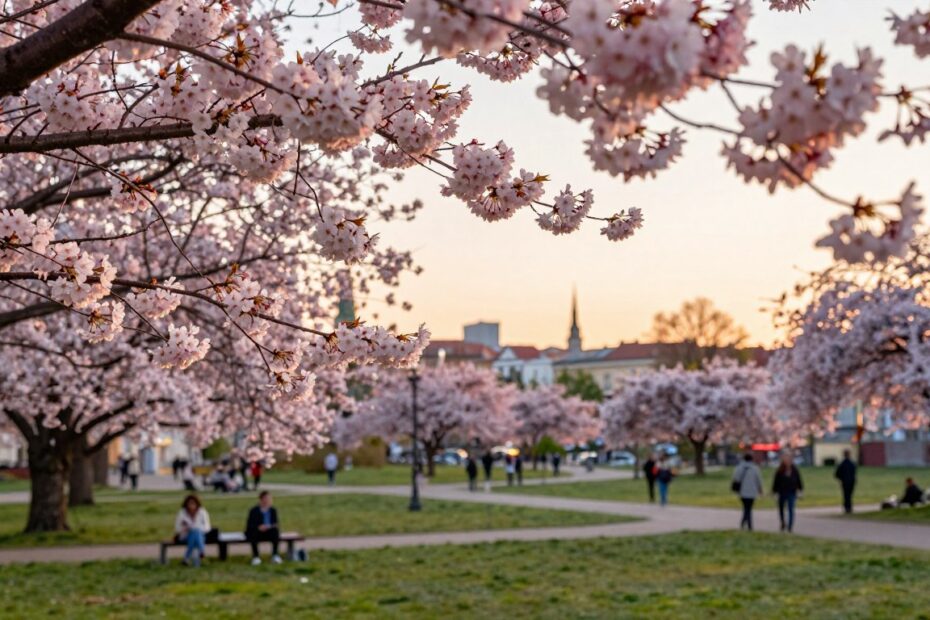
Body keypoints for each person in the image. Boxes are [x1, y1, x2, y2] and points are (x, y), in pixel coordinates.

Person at [245, 490, 282, 565]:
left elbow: (275, 523)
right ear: (262, 499)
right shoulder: (254, 510)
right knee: (253, 533)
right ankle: (256, 557)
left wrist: (270, 526)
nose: (269, 501)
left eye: (270, 499)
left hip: (269, 531)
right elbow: (249, 525)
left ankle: (275, 555)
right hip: (257, 531)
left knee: (275, 531)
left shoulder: (273, 510)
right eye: (267, 499)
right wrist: (258, 527)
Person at [174, 495, 211, 567]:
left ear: (197, 504)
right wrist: (184, 529)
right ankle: (202, 551)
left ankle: (186, 559)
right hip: (185, 535)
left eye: (193, 503)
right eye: (189, 503)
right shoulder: (182, 513)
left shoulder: (202, 512)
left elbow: (207, 527)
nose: (191, 505)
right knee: (195, 535)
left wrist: (197, 529)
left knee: (195, 533)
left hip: (200, 534)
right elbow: (177, 528)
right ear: (186, 504)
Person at [772, 453, 803, 532]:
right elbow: (776, 482)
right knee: (781, 508)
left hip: (791, 492)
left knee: (791, 509)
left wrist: (800, 489)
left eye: (789, 459)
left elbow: (799, 480)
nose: (788, 461)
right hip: (782, 492)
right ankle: (782, 522)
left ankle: (790, 526)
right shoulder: (780, 470)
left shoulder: (794, 470)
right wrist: (774, 491)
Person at [732, 453, 764, 530]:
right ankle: (748, 524)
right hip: (752, 492)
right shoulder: (755, 468)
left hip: (742, 492)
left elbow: (735, 479)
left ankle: (744, 522)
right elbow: (759, 481)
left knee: (746, 508)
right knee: (749, 508)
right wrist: (760, 490)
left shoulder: (739, 468)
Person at [834, 449, 857, 514]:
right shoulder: (852, 464)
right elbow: (854, 472)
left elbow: (837, 474)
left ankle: (847, 507)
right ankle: (849, 507)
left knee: (846, 495)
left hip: (844, 482)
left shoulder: (841, 464)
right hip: (851, 482)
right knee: (849, 495)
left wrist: (841, 479)